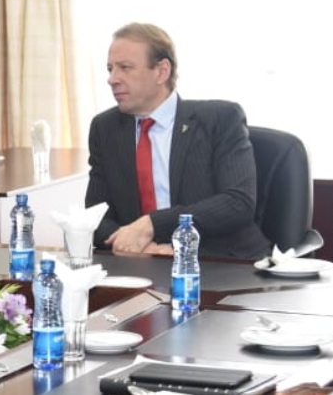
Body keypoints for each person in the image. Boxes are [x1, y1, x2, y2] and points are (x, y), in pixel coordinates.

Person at [84, 23, 269, 259]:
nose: (112, 79)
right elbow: (95, 215)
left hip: (220, 262)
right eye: (110, 69)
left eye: (125, 68)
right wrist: (144, 247)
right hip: (143, 263)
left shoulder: (220, 119)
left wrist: (151, 224)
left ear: (162, 71)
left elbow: (237, 203)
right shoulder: (105, 128)